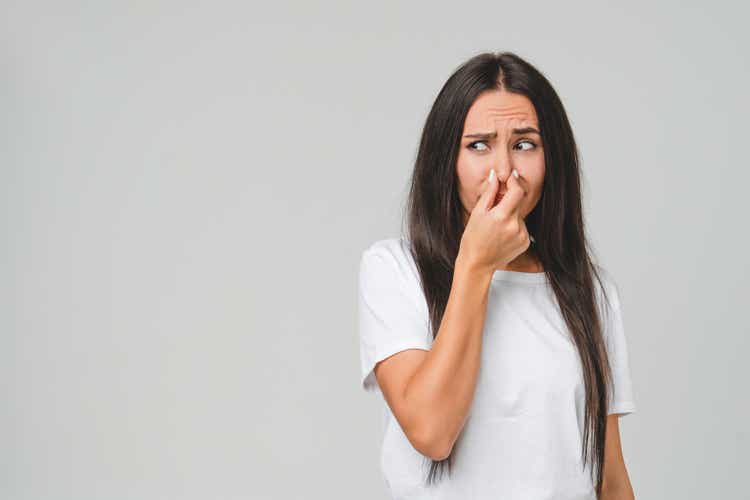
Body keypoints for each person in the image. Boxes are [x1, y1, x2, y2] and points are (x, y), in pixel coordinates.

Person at [357, 51, 637, 500]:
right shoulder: (395, 270)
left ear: (552, 159)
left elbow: (610, 476)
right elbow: (431, 432)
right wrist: (477, 263)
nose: (503, 171)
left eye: (524, 144)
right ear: (446, 160)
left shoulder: (590, 292)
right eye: (478, 145)